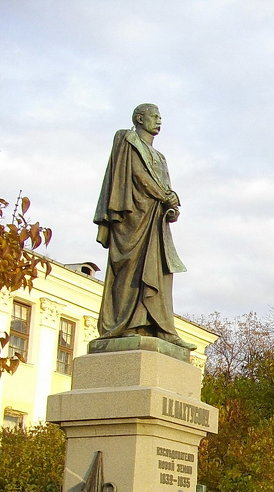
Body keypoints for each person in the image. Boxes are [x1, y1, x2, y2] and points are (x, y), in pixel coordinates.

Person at [94, 103, 194, 349]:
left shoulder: (160, 157)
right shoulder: (127, 139)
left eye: (161, 117)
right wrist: (163, 194)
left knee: (159, 272)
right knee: (131, 270)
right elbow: (137, 175)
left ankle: (159, 327)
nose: (159, 121)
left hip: (155, 221)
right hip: (131, 217)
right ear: (139, 118)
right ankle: (125, 325)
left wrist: (171, 205)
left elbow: (165, 187)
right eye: (154, 116)